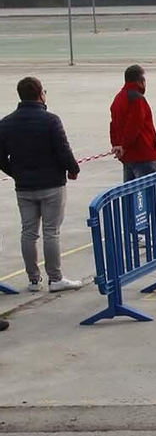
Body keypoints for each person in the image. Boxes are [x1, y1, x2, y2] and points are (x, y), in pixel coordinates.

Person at [0, 76, 83, 292]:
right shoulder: (51, 120)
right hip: (52, 185)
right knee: (51, 232)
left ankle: (33, 280)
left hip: (24, 187)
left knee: (28, 232)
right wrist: (73, 169)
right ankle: (55, 278)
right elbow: (63, 150)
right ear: (40, 94)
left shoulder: (6, 123)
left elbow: (1, 158)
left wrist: (17, 173)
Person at [109, 64, 156, 182]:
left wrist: (116, 144)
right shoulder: (137, 99)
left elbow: (113, 125)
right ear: (141, 81)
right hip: (142, 153)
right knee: (147, 193)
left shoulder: (118, 98)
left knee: (130, 193)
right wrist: (124, 145)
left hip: (127, 156)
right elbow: (134, 126)